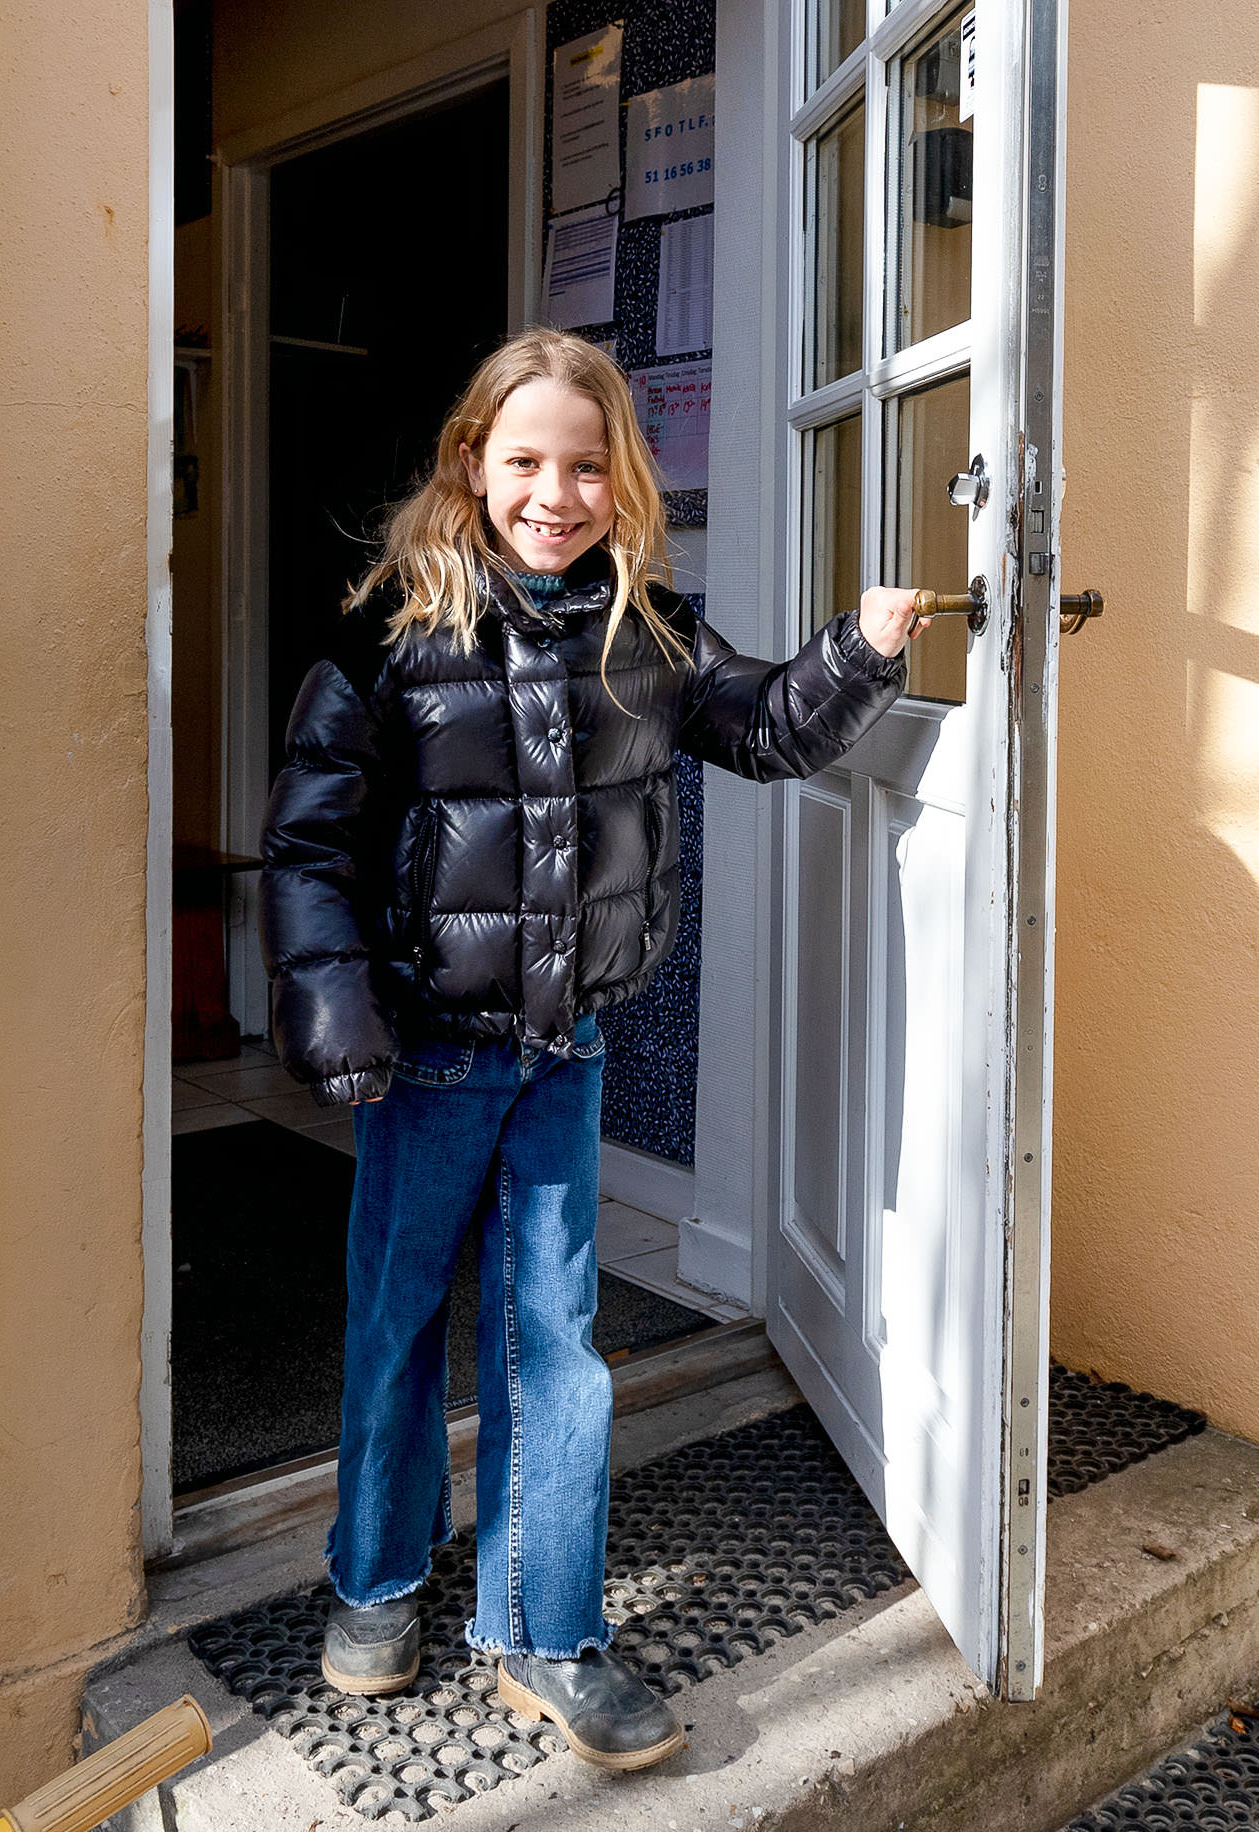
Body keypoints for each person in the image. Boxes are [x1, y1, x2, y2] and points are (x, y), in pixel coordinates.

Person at [259, 327, 923, 1771]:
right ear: (470, 465)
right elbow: (309, 845)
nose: (553, 496)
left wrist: (862, 649)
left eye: (585, 467)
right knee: (397, 1319)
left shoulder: (650, 631)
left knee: (555, 1343)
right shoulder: (394, 637)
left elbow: (767, 728)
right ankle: (375, 1577)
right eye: (524, 462)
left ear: (622, 480)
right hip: (427, 1056)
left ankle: (544, 1629)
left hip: (565, 1054)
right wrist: (338, 1011)